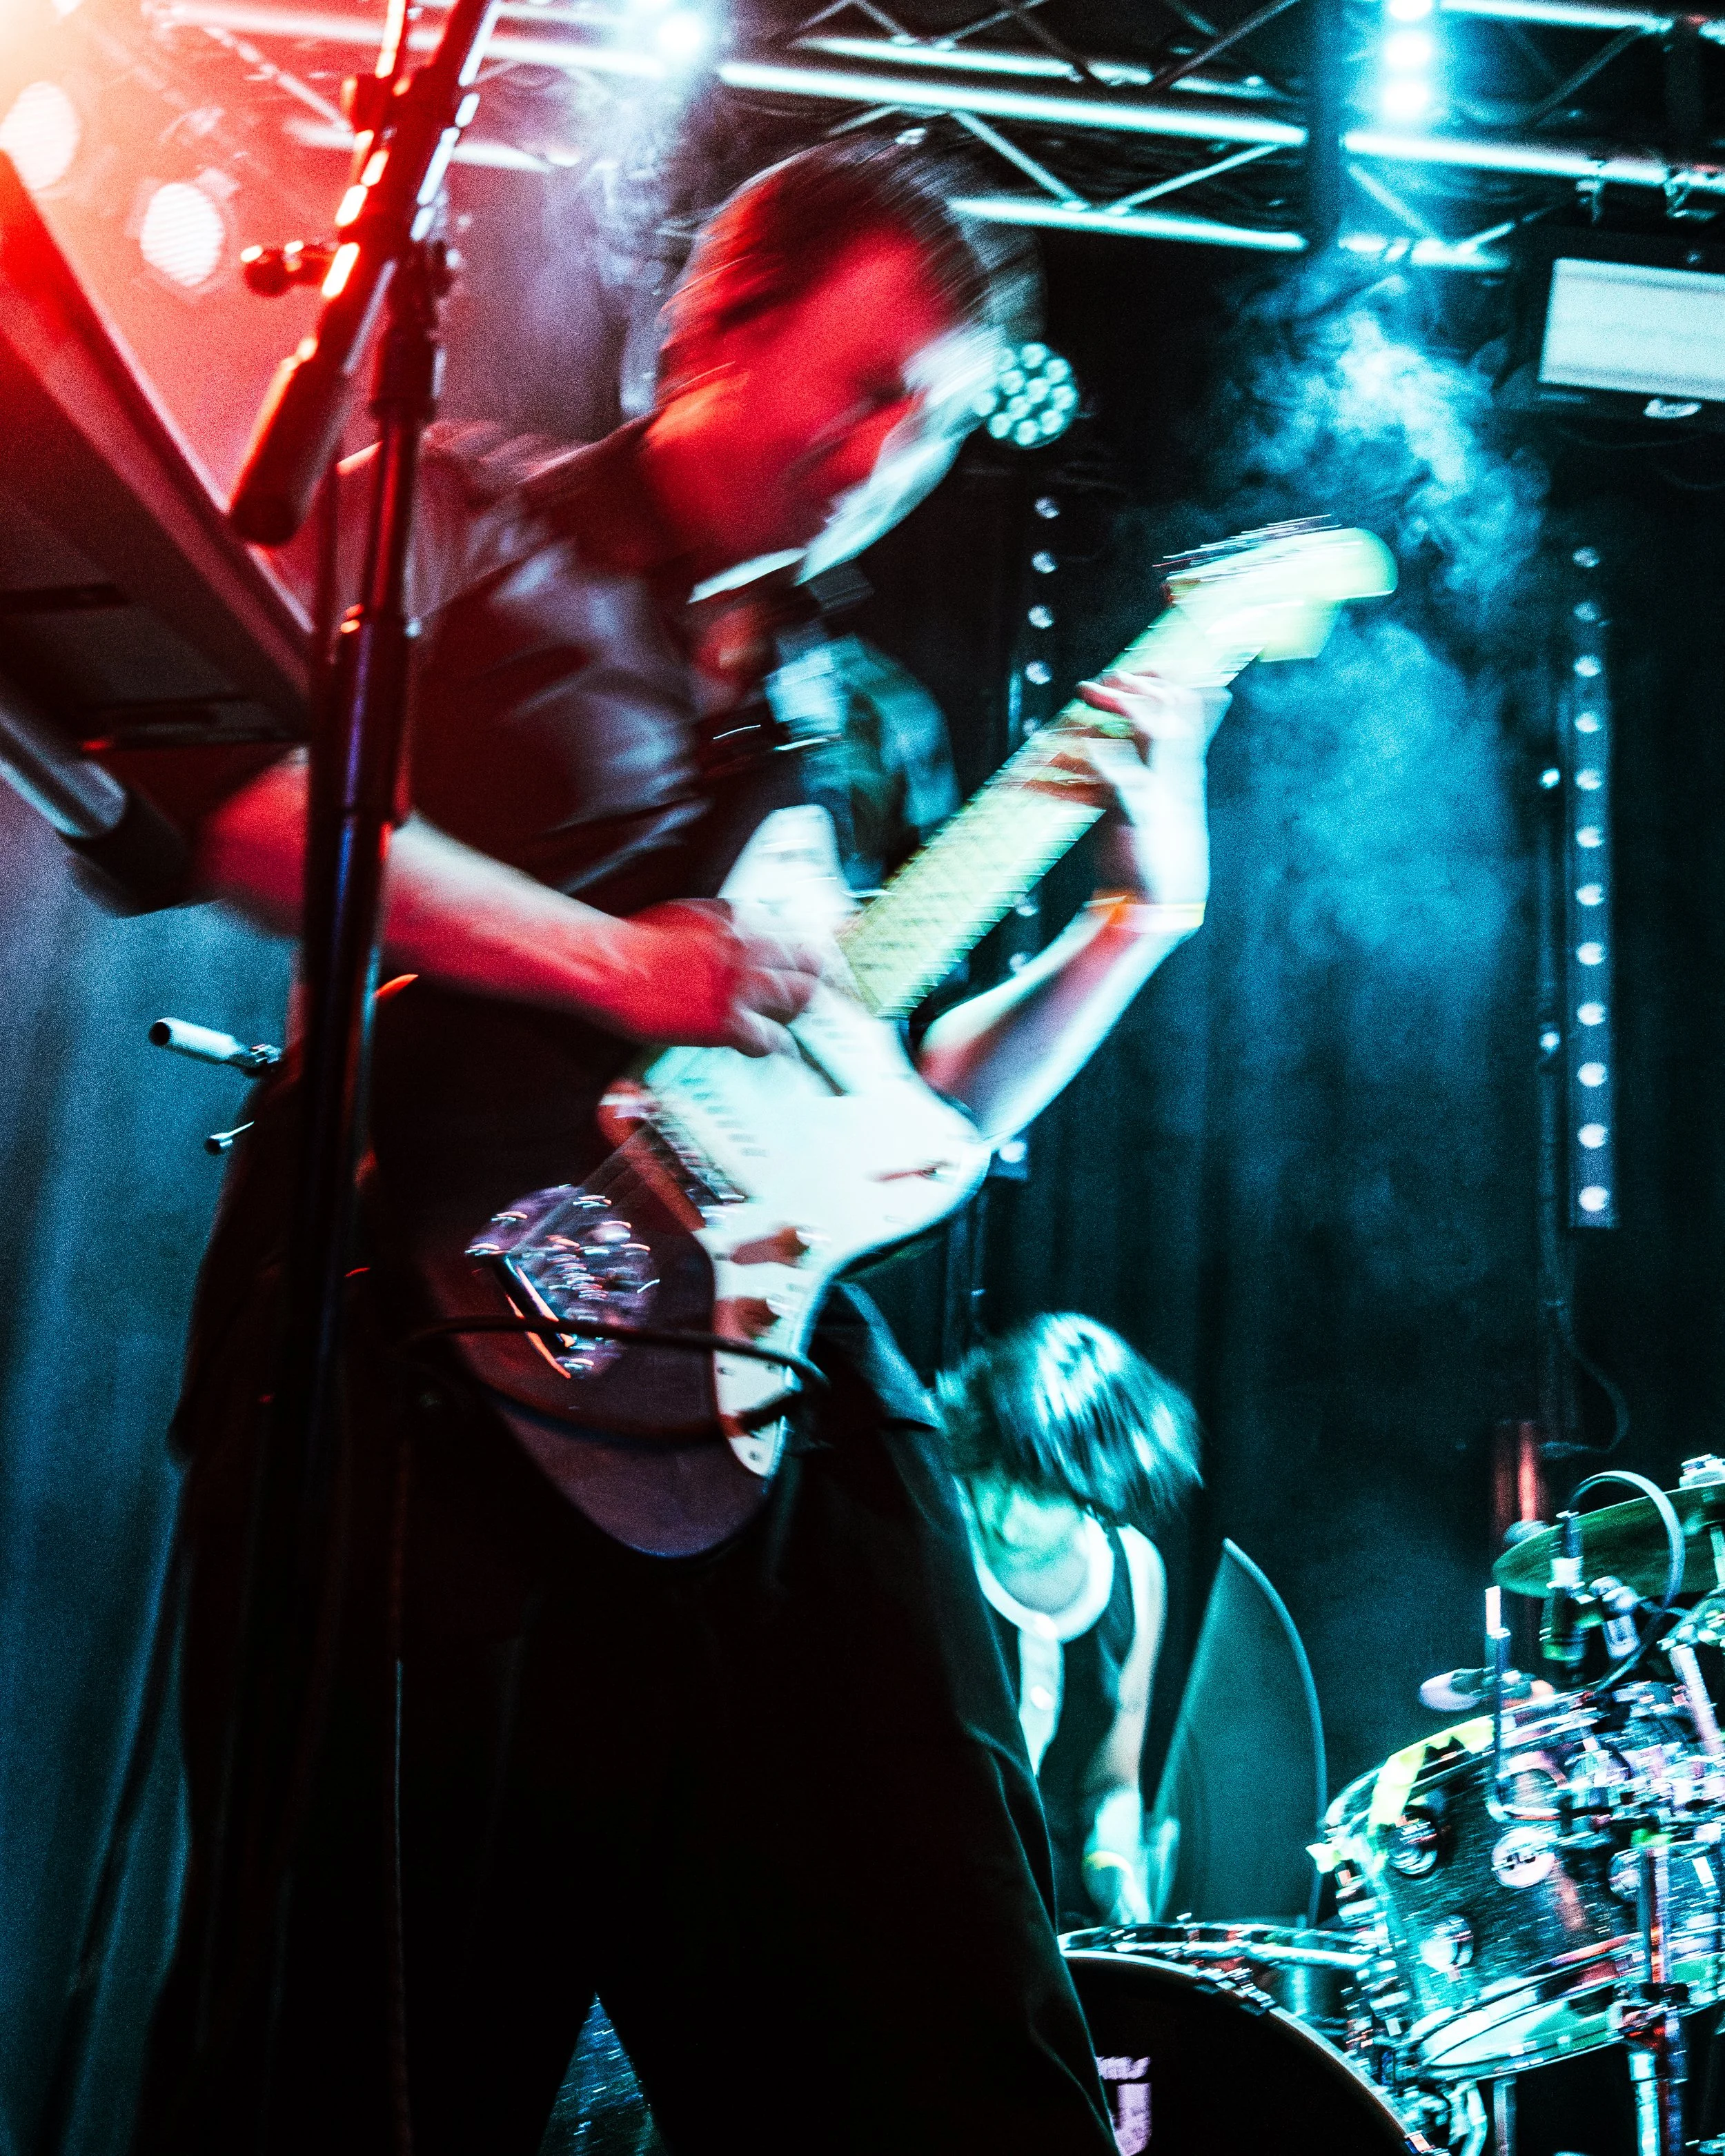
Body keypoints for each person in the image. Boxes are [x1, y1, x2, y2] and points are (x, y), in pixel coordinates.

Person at [135, 139, 1217, 2156]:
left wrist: (1129, 922)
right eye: (862, 379)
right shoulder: (451, 518)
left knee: (956, 2042)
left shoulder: (858, 716)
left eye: (935, 421)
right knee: (360, 2058)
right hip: (431, 1371)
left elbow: (908, 1112)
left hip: (774, 1401)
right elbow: (225, 783)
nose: (889, 450)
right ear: (716, 324)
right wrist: (616, 961)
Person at [940, 1315, 1201, 1931]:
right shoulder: (934, 1528)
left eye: (1042, 1493)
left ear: (1098, 1488)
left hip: (1046, 1926)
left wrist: (1114, 1869)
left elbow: (1110, 1780)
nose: (1007, 1515)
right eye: (994, 1476)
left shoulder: (1136, 1573)